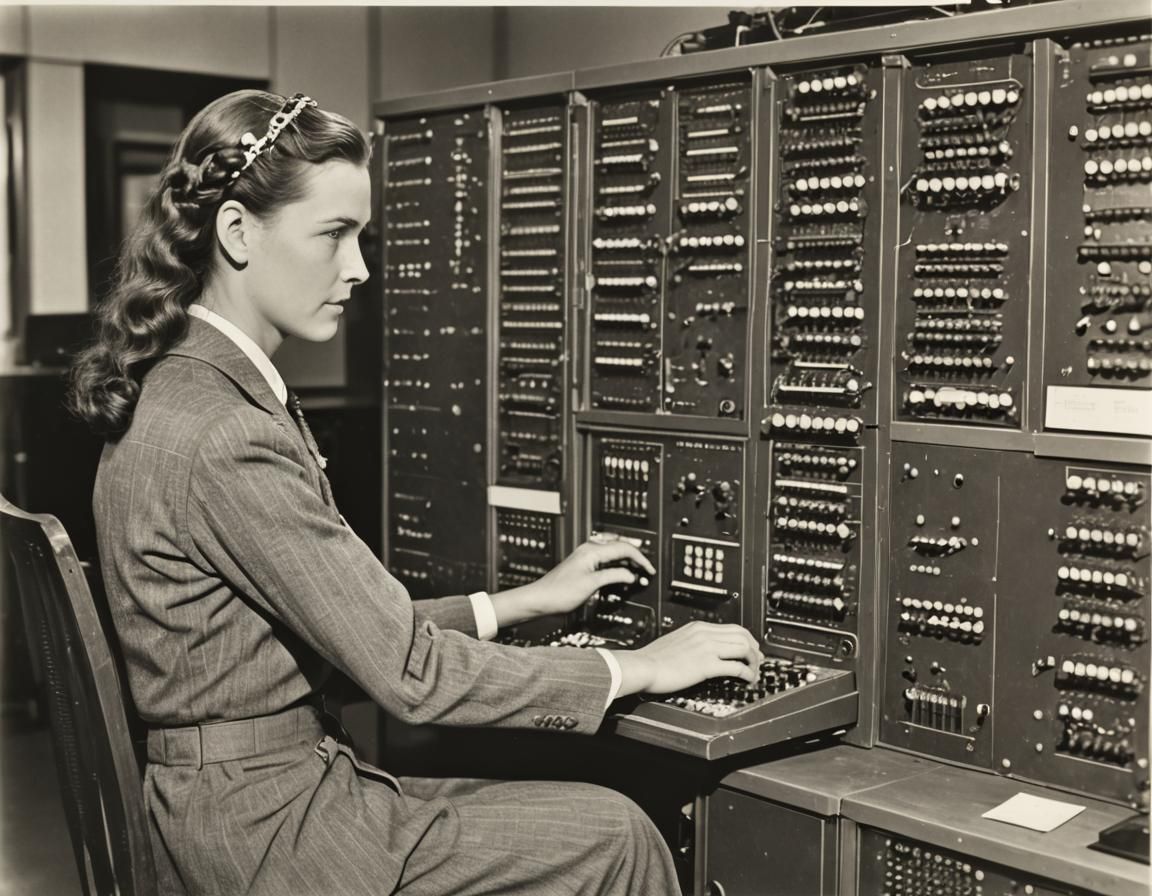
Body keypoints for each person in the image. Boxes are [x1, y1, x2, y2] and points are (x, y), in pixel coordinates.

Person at [69, 90, 764, 896]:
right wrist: (634, 667)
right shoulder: (228, 432)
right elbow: (410, 674)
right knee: (616, 835)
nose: (359, 267)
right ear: (237, 234)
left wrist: (520, 604)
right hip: (276, 835)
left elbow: (332, 627)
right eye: (334, 234)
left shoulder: (180, 391)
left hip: (220, 810)